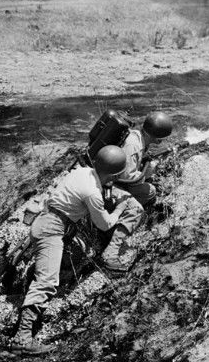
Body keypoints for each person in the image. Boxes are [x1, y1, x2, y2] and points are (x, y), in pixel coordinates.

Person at [10, 145, 132, 355]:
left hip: (46, 221)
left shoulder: (82, 172)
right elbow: (104, 224)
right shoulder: (93, 193)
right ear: (114, 175)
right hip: (52, 230)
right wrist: (120, 208)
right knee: (46, 282)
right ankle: (22, 339)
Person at [101, 112, 174, 271]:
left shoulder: (138, 138)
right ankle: (110, 251)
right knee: (137, 208)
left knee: (150, 191)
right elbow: (126, 176)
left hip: (110, 180)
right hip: (108, 184)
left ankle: (118, 215)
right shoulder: (133, 145)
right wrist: (147, 172)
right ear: (156, 137)